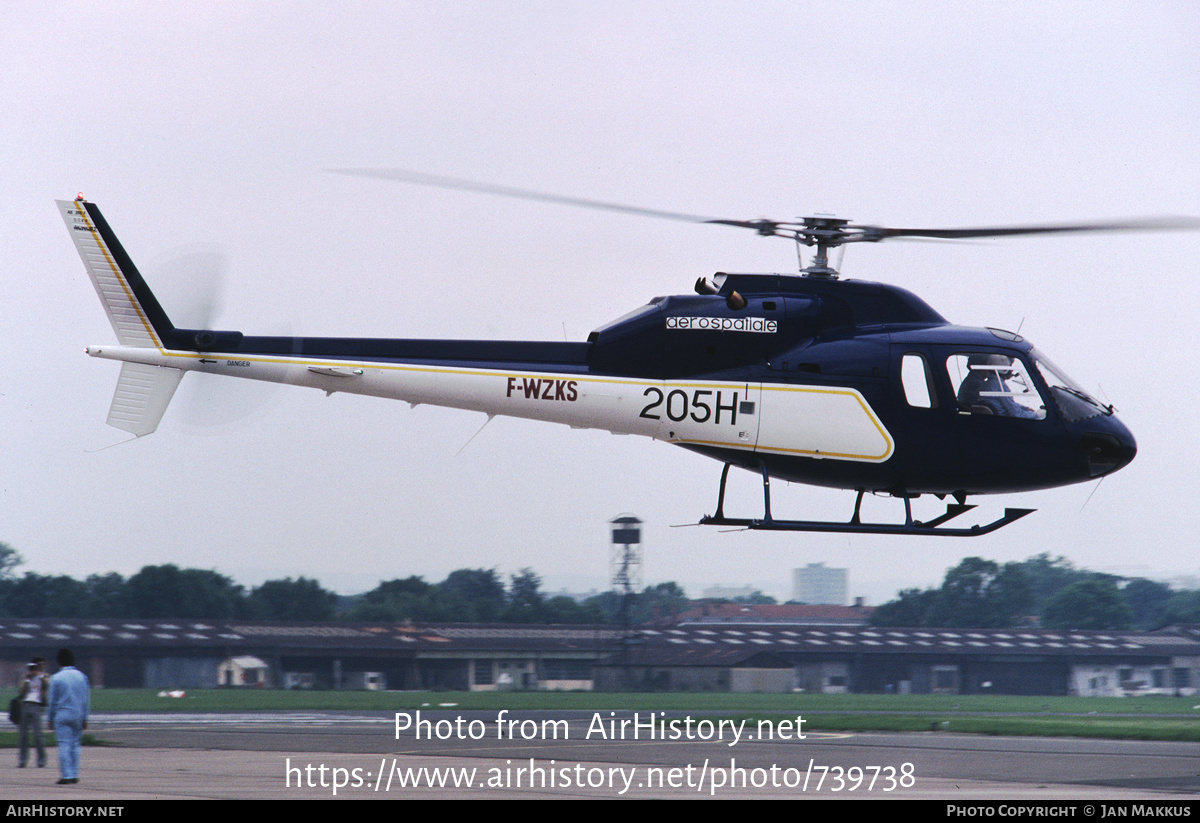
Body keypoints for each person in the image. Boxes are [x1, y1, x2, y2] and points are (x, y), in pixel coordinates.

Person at [46, 648, 89, 785]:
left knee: (64, 744)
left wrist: (50, 717)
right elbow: (86, 699)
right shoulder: (82, 676)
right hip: (77, 714)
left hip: (62, 714)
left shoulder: (56, 678)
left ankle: (66, 775)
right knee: (75, 745)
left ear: (59, 662)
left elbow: (52, 701)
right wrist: (85, 718)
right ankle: (74, 774)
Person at [17, 658, 48, 768]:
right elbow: (21, 691)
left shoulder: (44, 677)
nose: (32, 670)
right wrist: (28, 680)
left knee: (38, 735)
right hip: (25, 704)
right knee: (23, 735)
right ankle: (22, 760)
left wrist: (39, 676)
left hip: (37, 705)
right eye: (31, 668)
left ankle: (42, 759)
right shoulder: (26, 678)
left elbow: (47, 685)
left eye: (34, 668)